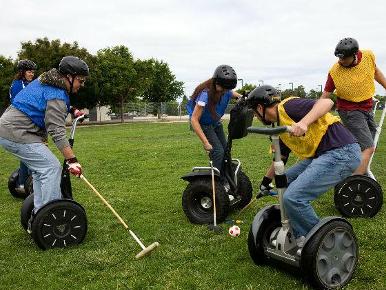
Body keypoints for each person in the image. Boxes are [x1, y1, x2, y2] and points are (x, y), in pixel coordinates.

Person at [246, 85, 361, 246]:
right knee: (284, 183)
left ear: (260, 107)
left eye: (255, 113)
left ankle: (321, 243)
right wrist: (266, 181)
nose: (256, 117)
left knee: (293, 197)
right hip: (322, 155)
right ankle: (299, 233)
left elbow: (327, 102)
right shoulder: (279, 127)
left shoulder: (287, 106)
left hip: (342, 152)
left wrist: (304, 122)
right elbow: (281, 157)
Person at [0, 56, 89, 232]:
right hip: (17, 132)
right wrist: (72, 160)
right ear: (69, 77)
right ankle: (48, 220)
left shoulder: (48, 82)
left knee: (42, 170)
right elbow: (56, 130)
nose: (81, 84)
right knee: (51, 168)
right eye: (80, 80)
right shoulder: (55, 92)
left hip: (13, 131)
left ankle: (38, 216)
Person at [321, 37, 386, 175]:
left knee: (370, 141)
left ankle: (356, 169)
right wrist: (312, 115)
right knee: (368, 147)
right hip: (349, 111)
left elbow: (376, 73)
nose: (340, 61)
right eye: (339, 58)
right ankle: (354, 182)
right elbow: (325, 94)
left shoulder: (368, 57)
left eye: (344, 58)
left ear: (354, 55)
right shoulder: (335, 71)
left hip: (367, 107)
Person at [187, 65, 241, 177]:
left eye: (228, 89)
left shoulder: (225, 90)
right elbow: (194, 120)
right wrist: (206, 143)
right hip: (203, 124)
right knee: (218, 152)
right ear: (216, 83)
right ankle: (216, 183)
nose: (225, 92)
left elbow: (238, 96)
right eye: (223, 89)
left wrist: (244, 98)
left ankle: (226, 177)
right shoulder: (205, 94)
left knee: (226, 151)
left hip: (215, 123)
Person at [8, 59, 37, 194]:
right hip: (21, 123)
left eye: (33, 72)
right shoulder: (19, 85)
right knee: (28, 153)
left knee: (27, 153)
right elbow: (23, 105)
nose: (32, 74)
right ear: (22, 72)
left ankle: (22, 182)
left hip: (24, 122)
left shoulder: (26, 84)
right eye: (30, 72)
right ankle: (22, 184)